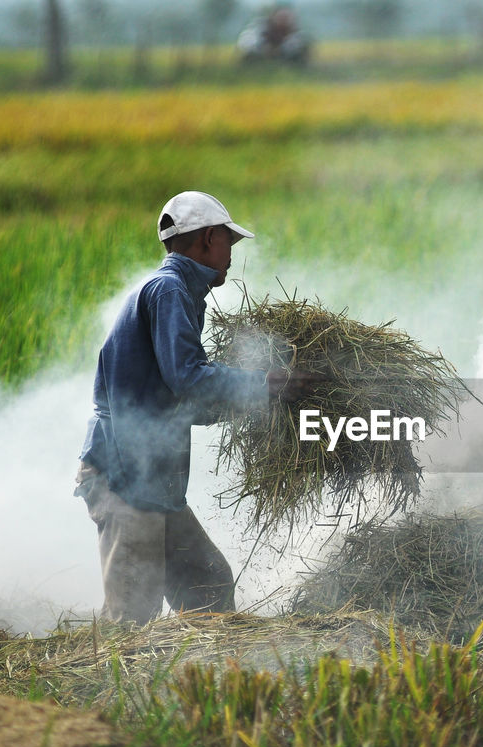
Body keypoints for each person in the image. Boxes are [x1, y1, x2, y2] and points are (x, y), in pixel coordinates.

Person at [75, 191, 310, 625]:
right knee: (131, 619)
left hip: (152, 479)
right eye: (228, 242)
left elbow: (177, 399)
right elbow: (187, 376)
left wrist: (252, 405)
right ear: (206, 239)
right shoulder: (169, 292)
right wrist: (262, 385)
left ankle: (207, 678)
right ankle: (110, 690)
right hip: (125, 475)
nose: (231, 255)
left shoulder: (175, 292)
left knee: (209, 582)